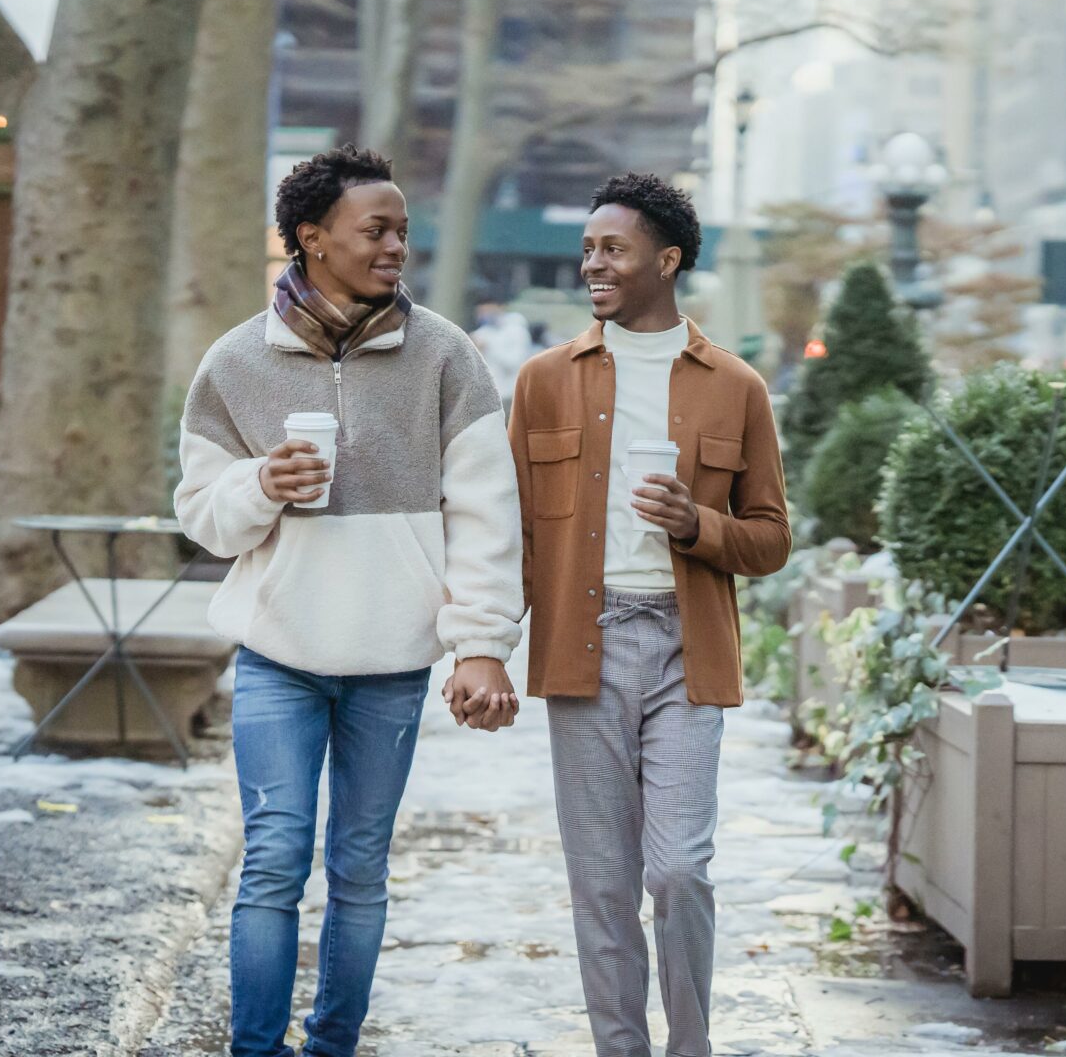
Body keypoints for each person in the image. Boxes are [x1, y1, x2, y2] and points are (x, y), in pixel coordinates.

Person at [174, 144, 522, 1057]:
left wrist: (480, 643)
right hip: (278, 658)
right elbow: (206, 520)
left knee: (360, 867)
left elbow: (489, 516)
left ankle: (333, 1045)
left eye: (404, 230)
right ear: (311, 237)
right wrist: (260, 484)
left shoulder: (448, 358)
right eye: (378, 229)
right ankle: (256, 1050)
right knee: (274, 862)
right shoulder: (234, 363)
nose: (396, 246)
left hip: (391, 664)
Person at [501, 172, 791, 1057]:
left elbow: (772, 539)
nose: (594, 262)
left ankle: (689, 1047)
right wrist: (478, 649)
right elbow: (509, 533)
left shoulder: (736, 385)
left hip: (685, 649)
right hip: (581, 649)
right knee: (601, 882)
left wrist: (695, 525)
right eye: (588, 248)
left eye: (613, 248)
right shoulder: (544, 380)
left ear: (666, 260)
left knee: (677, 870)